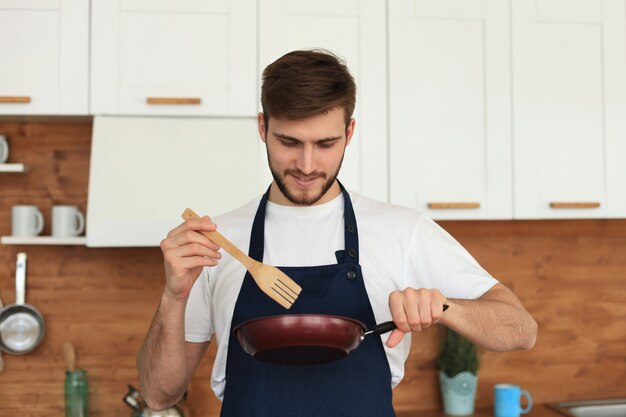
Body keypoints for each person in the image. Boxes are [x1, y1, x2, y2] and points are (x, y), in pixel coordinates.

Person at [137, 49, 537, 416]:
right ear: (263, 127)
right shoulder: (219, 240)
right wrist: (174, 296)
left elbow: (521, 330)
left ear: (349, 132)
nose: (307, 165)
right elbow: (159, 395)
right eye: (289, 142)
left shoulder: (402, 231)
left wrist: (445, 307)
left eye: (325, 143)